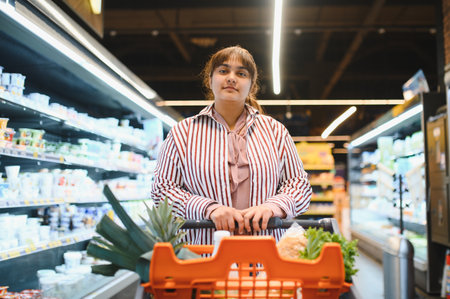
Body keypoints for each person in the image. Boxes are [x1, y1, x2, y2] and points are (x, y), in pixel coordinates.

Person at [151, 45, 312, 245]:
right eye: (223, 71)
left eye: (241, 73)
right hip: (204, 254)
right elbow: (162, 190)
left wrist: (272, 207)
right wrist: (208, 208)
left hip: (265, 256)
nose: (231, 78)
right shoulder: (182, 133)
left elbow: (299, 186)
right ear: (210, 80)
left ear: (252, 86)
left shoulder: (275, 132)